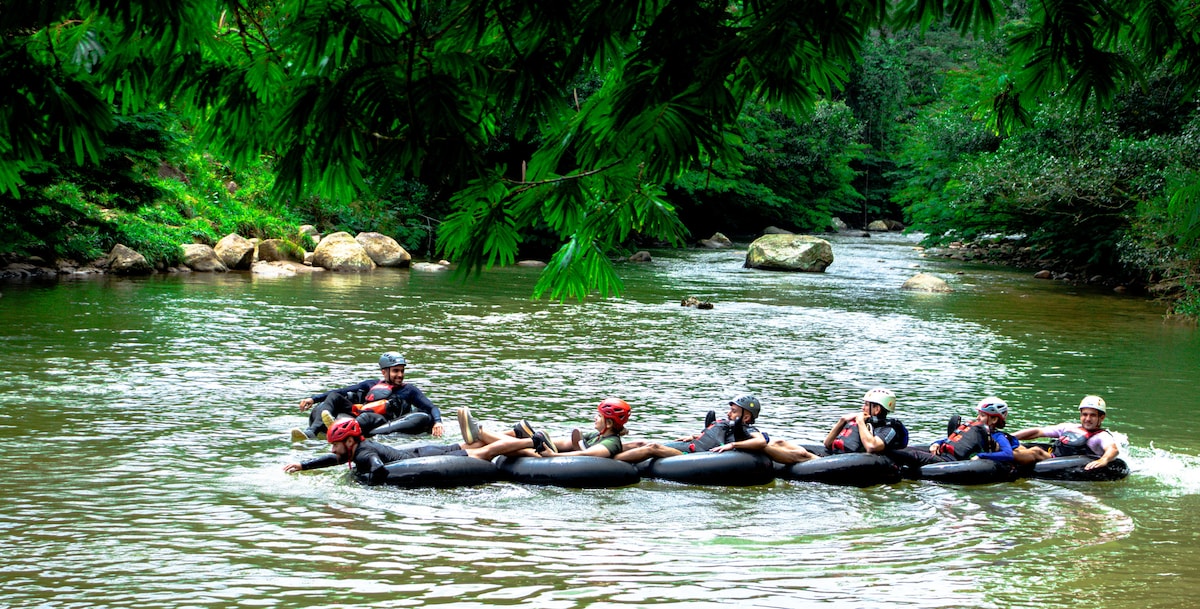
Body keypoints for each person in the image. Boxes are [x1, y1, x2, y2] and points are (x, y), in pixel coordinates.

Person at [283, 418, 534, 484]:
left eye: (336, 444)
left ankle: (532, 442)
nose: (333, 449)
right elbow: (334, 459)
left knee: (485, 453)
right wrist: (305, 465)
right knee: (473, 445)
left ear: (349, 442)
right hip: (423, 452)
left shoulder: (362, 454)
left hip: (430, 459)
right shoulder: (358, 447)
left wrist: (363, 482)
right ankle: (517, 432)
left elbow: (378, 470)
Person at [289, 352, 445, 442]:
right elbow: (343, 391)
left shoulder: (409, 390)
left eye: (402, 371)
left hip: (382, 420)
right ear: (384, 372)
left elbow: (431, 407)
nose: (400, 375)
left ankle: (341, 432)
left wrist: (437, 422)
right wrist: (313, 399)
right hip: (360, 413)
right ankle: (311, 433)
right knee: (335, 396)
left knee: (367, 416)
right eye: (396, 371)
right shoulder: (370, 384)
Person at [764, 388, 909, 464]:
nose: (862, 407)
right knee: (780, 443)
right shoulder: (864, 423)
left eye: (866, 404)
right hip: (836, 456)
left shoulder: (889, 429)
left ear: (877, 409)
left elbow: (872, 447)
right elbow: (827, 443)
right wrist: (842, 421)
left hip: (852, 463)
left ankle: (763, 448)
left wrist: (859, 422)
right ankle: (767, 446)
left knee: (801, 454)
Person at [457, 398, 633, 458]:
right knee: (526, 435)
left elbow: (587, 454)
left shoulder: (611, 442)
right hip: (558, 454)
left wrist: (552, 454)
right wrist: (536, 439)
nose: (595, 417)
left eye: (599, 416)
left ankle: (479, 433)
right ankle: (478, 434)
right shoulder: (597, 434)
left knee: (524, 448)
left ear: (609, 423)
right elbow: (567, 441)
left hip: (556, 461)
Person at [614, 394, 767, 463]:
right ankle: (603, 449)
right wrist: (695, 436)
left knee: (652, 447)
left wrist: (733, 445)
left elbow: (761, 442)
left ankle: (611, 461)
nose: (728, 413)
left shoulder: (747, 430)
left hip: (694, 455)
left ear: (746, 417)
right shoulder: (729, 425)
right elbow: (715, 436)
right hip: (692, 445)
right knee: (641, 443)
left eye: (734, 411)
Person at [887, 397, 1016, 468]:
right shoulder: (974, 429)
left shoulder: (998, 436)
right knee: (909, 448)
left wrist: (982, 456)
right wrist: (936, 443)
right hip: (943, 452)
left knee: (910, 454)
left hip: (948, 460)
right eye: (978, 414)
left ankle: (882, 452)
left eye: (982, 415)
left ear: (994, 419)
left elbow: (1008, 455)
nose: (977, 418)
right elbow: (954, 440)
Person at [1011, 395, 1119, 470]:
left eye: (1093, 415)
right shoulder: (1068, 427)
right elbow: (1038, 432)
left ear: (1102, 417)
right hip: (1051, 456)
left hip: (1063, 464)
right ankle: (997, 447)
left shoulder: (1101, 436)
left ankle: (1003, 456)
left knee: (1035, 451)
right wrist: (1009, 437)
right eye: (1084, 414)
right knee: (1019, 446)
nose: (1087, 419)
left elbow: (1113, 449)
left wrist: (1103, 460)